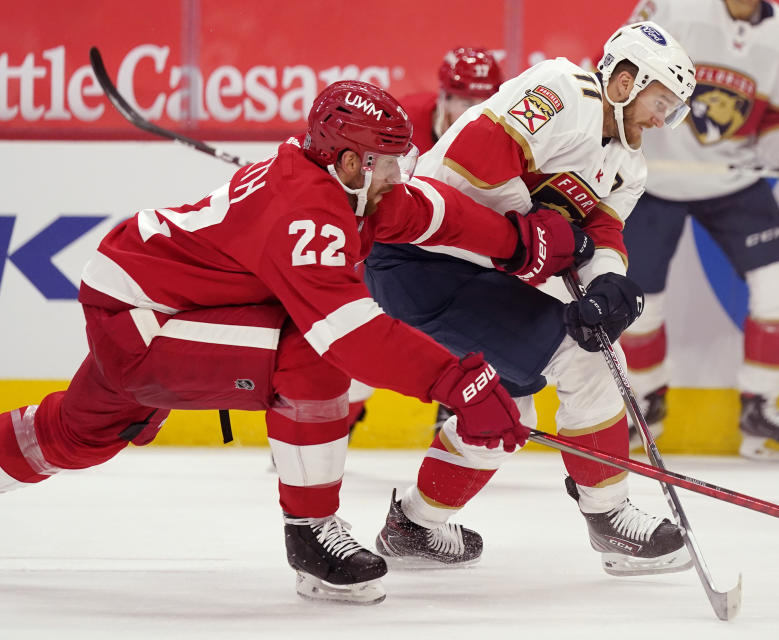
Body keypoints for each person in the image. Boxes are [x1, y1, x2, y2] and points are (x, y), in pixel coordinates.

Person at [0, 81, 588, 605]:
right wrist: (457, 381)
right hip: (143, 319)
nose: (399, 175)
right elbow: (352, 337)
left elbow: (428, 211)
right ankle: (312, 534)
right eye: (387, 163)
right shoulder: (307, 211)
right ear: (350, 161)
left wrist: (516, 239)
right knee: (310, 353)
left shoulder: (344, 186)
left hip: (150, 297)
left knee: (77, 434)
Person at [364, 22, 698, 575]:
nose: (663, 119)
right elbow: (472, 162)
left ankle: (414, 526)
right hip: (425, 257)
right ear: (623, 80)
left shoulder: (629, 168)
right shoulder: (563, 90)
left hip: (478, 270)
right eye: (659, 101)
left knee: (500, 408)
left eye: (672, 109)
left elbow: (601, 237)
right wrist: (539, 235)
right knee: (585, 359)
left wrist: (608, 285)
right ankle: (610, 517)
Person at [617, 0, 779, 462]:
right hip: (654, 177)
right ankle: (646, 403)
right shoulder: (669, 9)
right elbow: (619, 85)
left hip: (735, 178)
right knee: (639, 303)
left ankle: (760, 405)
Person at [345, 47, 505, 439]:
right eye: (464, 101)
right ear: (444, 97)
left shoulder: (505, 135)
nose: (473, 111)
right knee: (362, 341)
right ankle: (337, 420)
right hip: (391, 250)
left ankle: (455, 413)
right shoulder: (401, 123)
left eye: (483, 102)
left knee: (469, 326)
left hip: (456, 247)